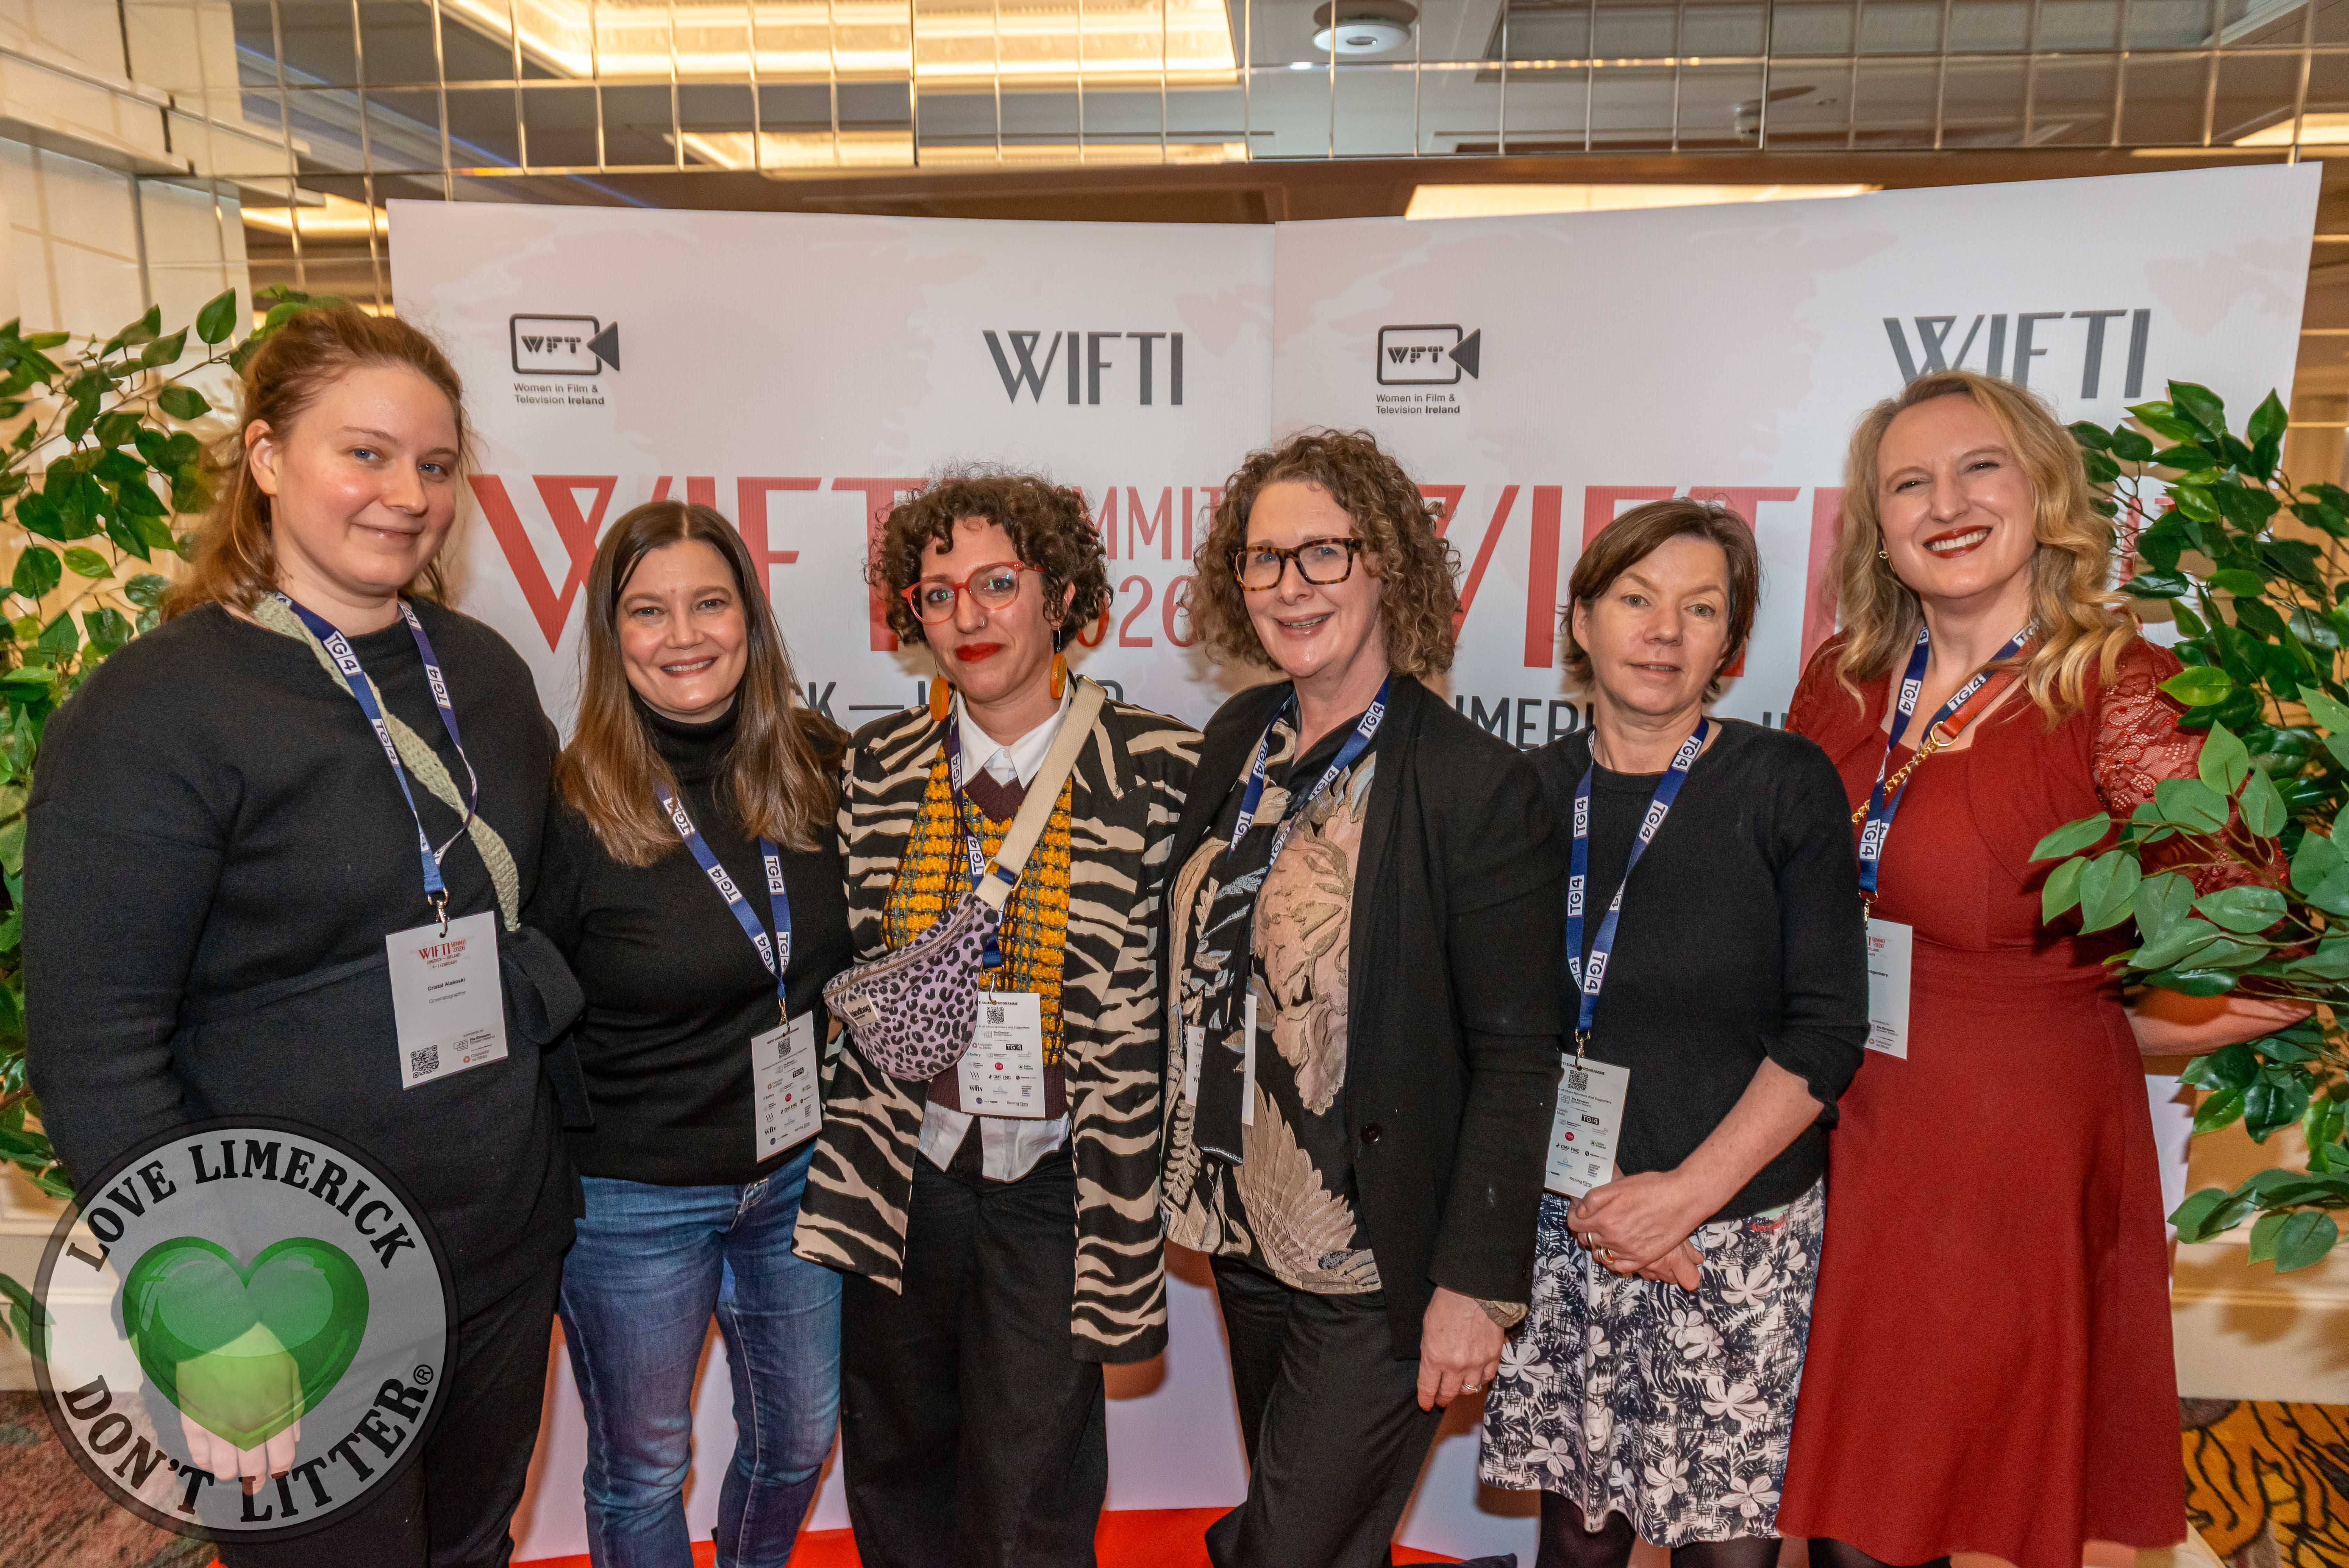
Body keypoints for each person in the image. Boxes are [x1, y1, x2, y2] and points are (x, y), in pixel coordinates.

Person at [24, 306, 581, 1565]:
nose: (408, 496)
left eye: (435, 465)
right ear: (268, 459)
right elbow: (97, 1055)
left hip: (499, 1243)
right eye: (365, 455)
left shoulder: (485, 674)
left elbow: (532, 921)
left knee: (472, 1549)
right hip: (288, 1281)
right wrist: (203, 1312)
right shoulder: (151, 715)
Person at [1778, 369, 2303, 1568]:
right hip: (1833, 1123)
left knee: (1958, 1501)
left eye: (1982, 468)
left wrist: (2107, 1027)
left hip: (2005, 1154)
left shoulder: (2121, 692)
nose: (1947, 504)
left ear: (2045, 492)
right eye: (1910, 483)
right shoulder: (1841, 681)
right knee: (1840, 1510)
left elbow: (2266, 935)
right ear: (1878, 527)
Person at [1161, 428, 1564, 1568]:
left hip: (1377, 1254)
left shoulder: (1473, 783)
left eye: (1324, 554)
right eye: (1265, 559)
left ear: (1386, 564)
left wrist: (1475, 1285)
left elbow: (1519, 1054)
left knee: (1285, 1546)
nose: (1292, 586)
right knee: (1324, 1541)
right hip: (1244, 1227)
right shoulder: (1238, 737)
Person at [790, 469, 1198, 1568]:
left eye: (999, 584)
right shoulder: (877, 769)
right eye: (938, 594)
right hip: (904, 1168)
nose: (967, 615)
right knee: (897, 1462)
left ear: (1062, 596)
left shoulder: (1161, 768)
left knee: (1032, 1490)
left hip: (1061, 1177)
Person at [1475, 499, 1869, 1568]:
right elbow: (1493, 1028)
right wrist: (1603, 1209)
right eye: (1636, 599)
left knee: (1726, 1555)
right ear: (1581, 622)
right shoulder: (1521, 796)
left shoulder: (1784, 783)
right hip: (1572, 1223)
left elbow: (1828, 1031)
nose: (1664, 632)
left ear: (1729, 643)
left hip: (1735, 1238)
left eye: (1700, 609)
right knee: (1579, 1540)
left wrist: (1682, 1200)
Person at [533, 501, 851, 1568]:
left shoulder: (818, 764)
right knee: (643, 1469)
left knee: (800, 1437)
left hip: (797, 1174)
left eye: (709, 603)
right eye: (648, 611)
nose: (684, 636)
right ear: (611, 633)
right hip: (634, 1199)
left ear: (750, 619)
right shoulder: (570, 805)